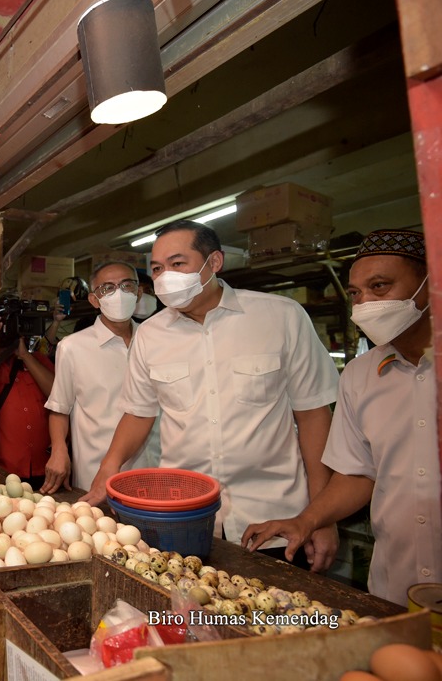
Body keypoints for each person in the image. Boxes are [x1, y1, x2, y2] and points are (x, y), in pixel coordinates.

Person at [82, 221, 340, 571]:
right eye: (157, 269)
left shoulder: (280, 317)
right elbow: (138, 414)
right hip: (181, 522)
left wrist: (321, 516)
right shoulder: (151, 336)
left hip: (274, 520)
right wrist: (107, 469)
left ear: (214, 262)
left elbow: (313, 416)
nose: (165, 276)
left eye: (178, 263)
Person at [243, 229, 441, 604]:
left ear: (430, 284)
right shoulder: (360, 375)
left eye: (379, 287)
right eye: (355, 293)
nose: (364, 303)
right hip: (396, 582)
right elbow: (358, 472)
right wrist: (308, 520)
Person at [41, 261, 161, 494]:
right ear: (94, 300)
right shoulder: (73, 347)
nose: (119, 294)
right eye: (108, 288)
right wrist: (59, 450)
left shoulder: (156, 341)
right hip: (96, 474)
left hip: (155, 471)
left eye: (127, 286)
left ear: (138, 293)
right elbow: (59, 408)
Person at [0, 326, 55, 489]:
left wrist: (25, 356)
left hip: (44, 468)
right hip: (6, 469)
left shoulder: (39, 361)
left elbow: (57, 395)